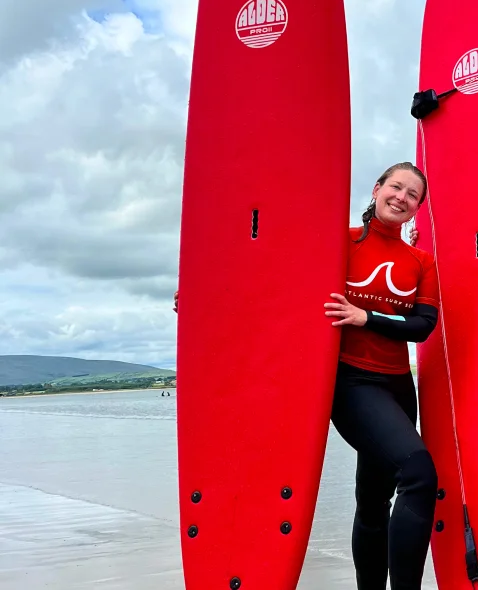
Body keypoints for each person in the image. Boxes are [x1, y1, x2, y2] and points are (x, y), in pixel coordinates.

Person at [174, 161, 440, 590]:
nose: (402, 198)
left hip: (397, 385)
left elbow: (423, 325)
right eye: (396, 187)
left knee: (373, 502)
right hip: (351, 384)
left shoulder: (420, 260)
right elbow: (271, 281)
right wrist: (202, 296)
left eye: (413, 196)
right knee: (419, 474)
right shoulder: (340, 243)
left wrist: (364, 316)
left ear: (418, 209)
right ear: (377, 189)